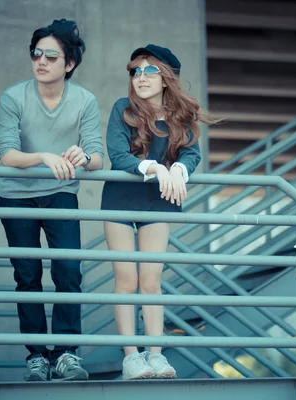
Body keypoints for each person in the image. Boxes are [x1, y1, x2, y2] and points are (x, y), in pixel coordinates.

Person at [0, 19, 103, 382]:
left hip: (60, 193)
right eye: (36, 53)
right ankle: (37, 357)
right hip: (16, 196)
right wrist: (43, 156)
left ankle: (67, 353)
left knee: (68, 272)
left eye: (51, 56)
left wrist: (83, 158)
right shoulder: (13, 97)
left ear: (68, 64)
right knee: (27, 277)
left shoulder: (85, 100)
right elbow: (7, 155)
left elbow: (98, 157)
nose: (41, 61)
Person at [101, 44, 214, 380]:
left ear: (166, 78)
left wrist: (178, 169)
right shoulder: (123, 109)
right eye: (135, 71)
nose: (141, 77)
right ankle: (131, 358)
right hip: (120, 199)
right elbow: (118, 155)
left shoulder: (182, 117)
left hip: (157, 202)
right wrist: (154, 168)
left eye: (150, 71)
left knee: (151, 282)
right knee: (126, 281)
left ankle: (156, 355)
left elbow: (192, 155)